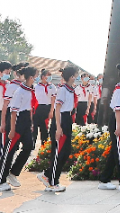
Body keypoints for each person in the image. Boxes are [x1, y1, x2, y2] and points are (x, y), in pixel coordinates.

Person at [0, 65, 37, 191]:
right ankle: (0, 180)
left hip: (27, 122)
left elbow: (30, 108)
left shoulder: (30, 90)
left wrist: (31, 123)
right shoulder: (20, 91)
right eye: (35, 76)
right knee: (9, 151)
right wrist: (12, 129)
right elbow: (13, 112)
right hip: (17, 122)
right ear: (30, 77)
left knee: (29, 146)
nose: (36, 79)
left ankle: (13, 173)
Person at [38, 65, 78, 193]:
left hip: (67, 119)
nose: (76, 77)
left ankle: (48, 175)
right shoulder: (63, 90)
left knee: (65, 152)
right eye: (76, 75)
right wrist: (58, 127)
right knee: (58, 153)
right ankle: (52, 182)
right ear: (72, 76)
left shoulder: (70, 89)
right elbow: (58, 109)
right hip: (61, 119)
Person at [33, 70, 56, 147]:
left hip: (47, 107)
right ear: (43, 77)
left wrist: (51, 111)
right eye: (48, 75)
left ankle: (44, 145)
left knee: (44, 128)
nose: (49, 77)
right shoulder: (36, 87)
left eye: (50, 75)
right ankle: (32, 144)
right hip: (37, 108)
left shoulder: (52, 87)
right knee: (34, 127)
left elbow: (53, 100)